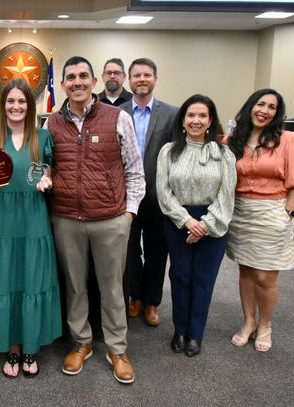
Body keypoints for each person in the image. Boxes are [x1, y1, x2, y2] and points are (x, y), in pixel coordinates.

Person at [47, 56, 145, 384]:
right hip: (65, 219)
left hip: (110, 219)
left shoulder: (118, 117)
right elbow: (46, 167)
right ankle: (82, 342)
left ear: (93, 81)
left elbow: (135, 170)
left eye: (83, 76)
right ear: (63, 84)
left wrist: (128, 215)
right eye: (70, 77)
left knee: (112, 288)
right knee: (75, 286)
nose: (77, 82)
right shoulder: (51, 123)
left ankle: (117, 348)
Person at [0, 78, 62, 378]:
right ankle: (12, 349)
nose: (16, 106)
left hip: (33, 221)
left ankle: (30, 346)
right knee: (3, 282)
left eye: (22, 101)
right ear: (2, 105)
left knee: (32, 280)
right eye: (10, 101)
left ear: (30, 105)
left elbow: (46, 171)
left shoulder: (43, 137)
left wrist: (47, 181)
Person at [156, 94, 236, 357]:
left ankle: (195, 334)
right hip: (178, 221)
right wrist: (187, 221)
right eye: (191, 115)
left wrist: (205, 225)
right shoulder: (168, 151)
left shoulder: (224, 153)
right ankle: (179, 330)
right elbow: (163, 192)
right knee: (180, 277)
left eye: (202, 116)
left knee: (203, 280)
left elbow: (227, 195)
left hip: (213, 223)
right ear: (183, 120)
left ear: (210, 120)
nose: (196, 120)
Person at [226, 89, 294, 352]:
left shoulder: (287, 139)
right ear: (250, 106)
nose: (264, 110)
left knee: (265, 276)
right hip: (241, 212)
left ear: (277, 114)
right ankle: (249, 322)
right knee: (246, 271)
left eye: (272, 107)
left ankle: (265, 324)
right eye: (260, 104)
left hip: (273, 212)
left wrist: (287, 213)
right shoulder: (234, 139)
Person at [120, 58, 178, 326]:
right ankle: (135, 297)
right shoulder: (118, 113)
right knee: (130, 253)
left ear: (155, 78)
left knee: (157, 252)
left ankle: (152, 302)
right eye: (136, 75)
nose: (141, 79)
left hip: (159, 197)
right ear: (128, 80)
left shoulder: (172, 114)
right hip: (126, 198)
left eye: (147, 75)